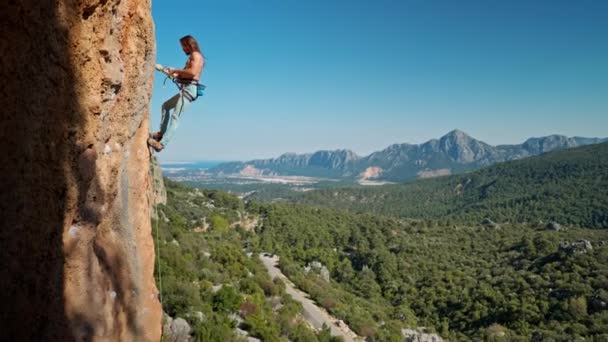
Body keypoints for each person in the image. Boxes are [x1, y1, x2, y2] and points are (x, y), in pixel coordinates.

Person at [148, 35, 205, 152]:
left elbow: (192, 72)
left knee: (175, 117)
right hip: (187, 89)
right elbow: (181, 75)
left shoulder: (196, 55)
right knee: (165, 106)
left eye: (183, 47)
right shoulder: (192, 57)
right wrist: (164, 70)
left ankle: (161, 144)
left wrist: (175, 70)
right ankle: (160, 134)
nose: (182, 49)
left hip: (189, 90)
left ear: (188, 45)